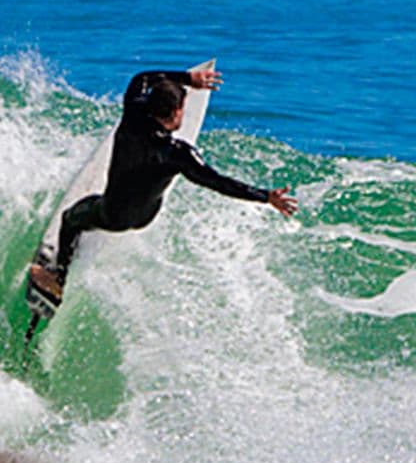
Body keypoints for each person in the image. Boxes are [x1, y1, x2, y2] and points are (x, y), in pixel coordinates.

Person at [28, 65, 297, 307]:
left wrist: (188, 79)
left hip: (112, 214)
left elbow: (142, 76)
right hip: (145, 216)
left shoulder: (132, 112)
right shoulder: (180, 154)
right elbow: (218, 182)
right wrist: (266, 197)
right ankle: (62, 276)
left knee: (70, 219)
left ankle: (57, 276)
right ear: (177, 112)